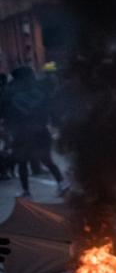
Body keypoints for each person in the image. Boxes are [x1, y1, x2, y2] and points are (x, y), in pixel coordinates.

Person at [0, 66, 68, 198]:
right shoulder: (40, 90)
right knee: (46, 159)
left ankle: (26, 192)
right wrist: (54, 122)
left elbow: (3, 112)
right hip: (41, 131)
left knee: (22, 162)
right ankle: (61, 183)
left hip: (22, 134)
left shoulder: (9, 93)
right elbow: (51, 109)